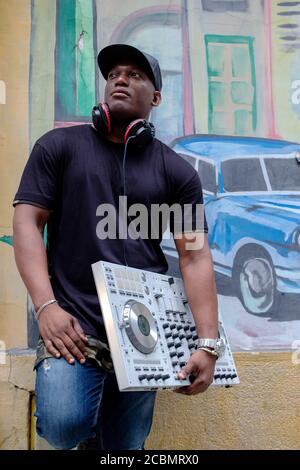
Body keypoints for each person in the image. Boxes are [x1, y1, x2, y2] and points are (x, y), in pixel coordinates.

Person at [12, 44, 219, 450]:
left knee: (125, 447)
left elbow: (193, 256)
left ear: (156, 97)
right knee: (63, 424)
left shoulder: (177, 172)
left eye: (135, 75)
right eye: (114, 74)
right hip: (72, 324)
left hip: (144, 333)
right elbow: (27, 223)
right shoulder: (58, 147)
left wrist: (207, 344)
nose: (121, 79)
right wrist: (46, 307)